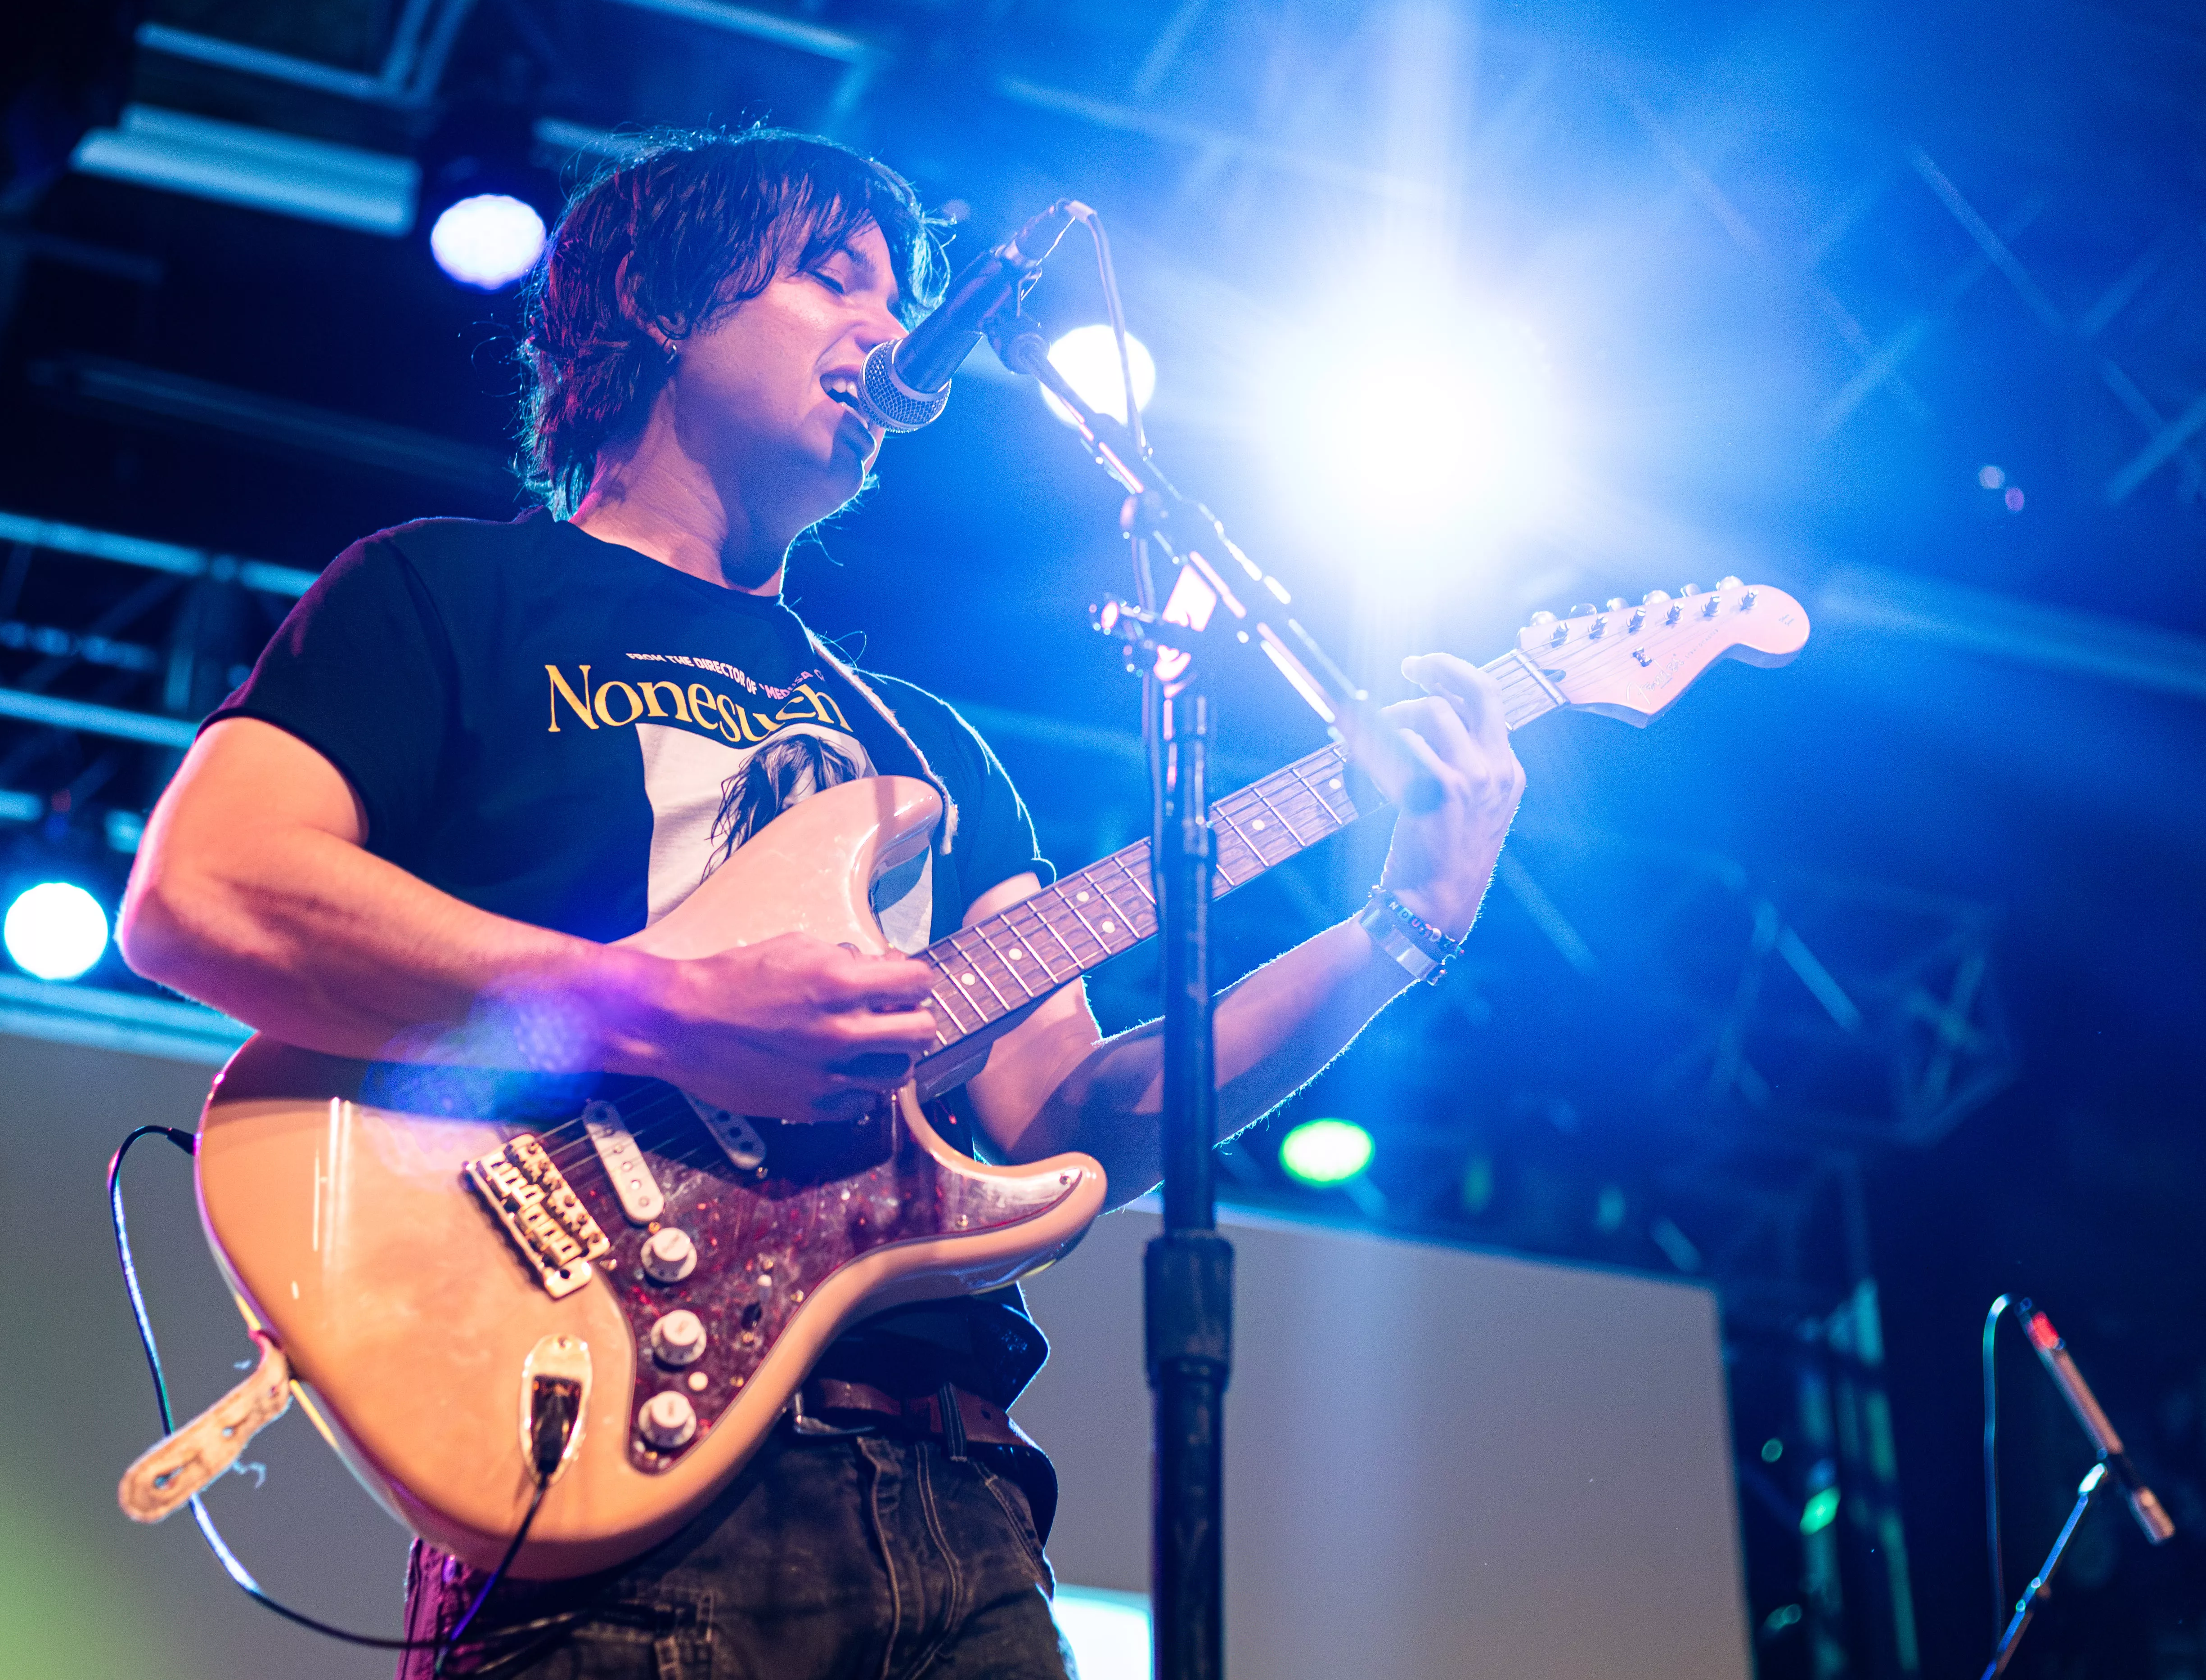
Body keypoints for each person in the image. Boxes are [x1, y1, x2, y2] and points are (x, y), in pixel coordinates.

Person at [117, 125, 1524, 1680]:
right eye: (829, 276)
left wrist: (1404, 926)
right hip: (600, 1487)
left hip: (960, 1504)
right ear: (660, 304)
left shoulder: (930, 743)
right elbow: (204, 893)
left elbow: (1067, 1121)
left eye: (900, 295)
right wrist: (663, 1012)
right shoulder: (446, 593)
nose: (889, 328)